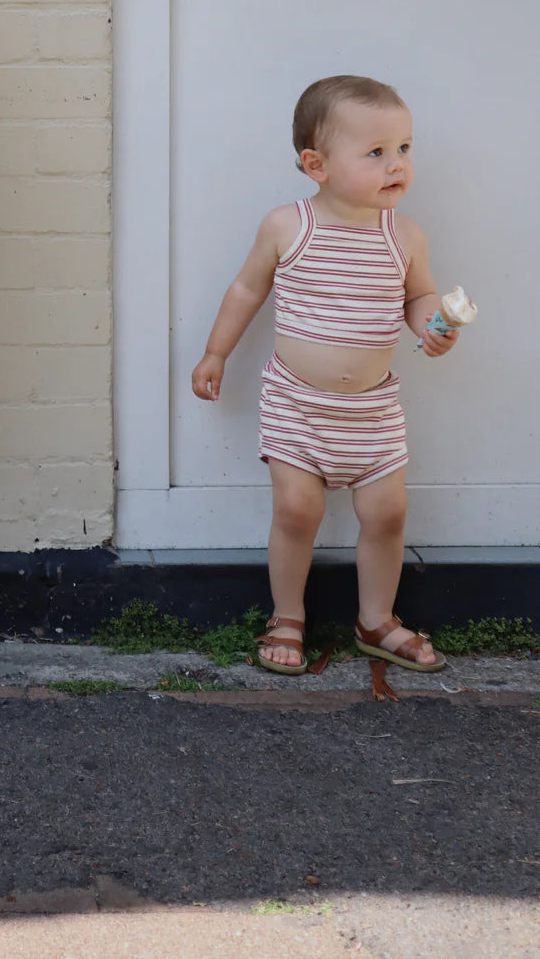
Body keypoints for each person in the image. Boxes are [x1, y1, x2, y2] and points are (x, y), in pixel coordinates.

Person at [191, 75, 461, 675]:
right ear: (317, 165)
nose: (397, 164)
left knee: (388, 515)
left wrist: (431, 326)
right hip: (297, 404)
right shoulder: (289, 226)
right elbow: (246, 290)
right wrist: (216, 353)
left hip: (373, 411)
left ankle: (376, 619)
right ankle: (288, 615)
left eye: (405, 148)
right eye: (376, 153)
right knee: (296, 512)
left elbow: (418, 297)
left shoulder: (404, 234)